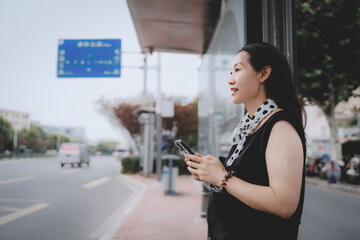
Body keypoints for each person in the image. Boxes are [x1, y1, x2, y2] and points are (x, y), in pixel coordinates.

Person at [184, 42, 306, 240]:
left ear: (263, 74)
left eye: (237, 70)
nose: (230, 80)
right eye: (230, 73)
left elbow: (284, 204)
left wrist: (222, 178)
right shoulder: (249, 127)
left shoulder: (280, 126)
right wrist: (210, 172)